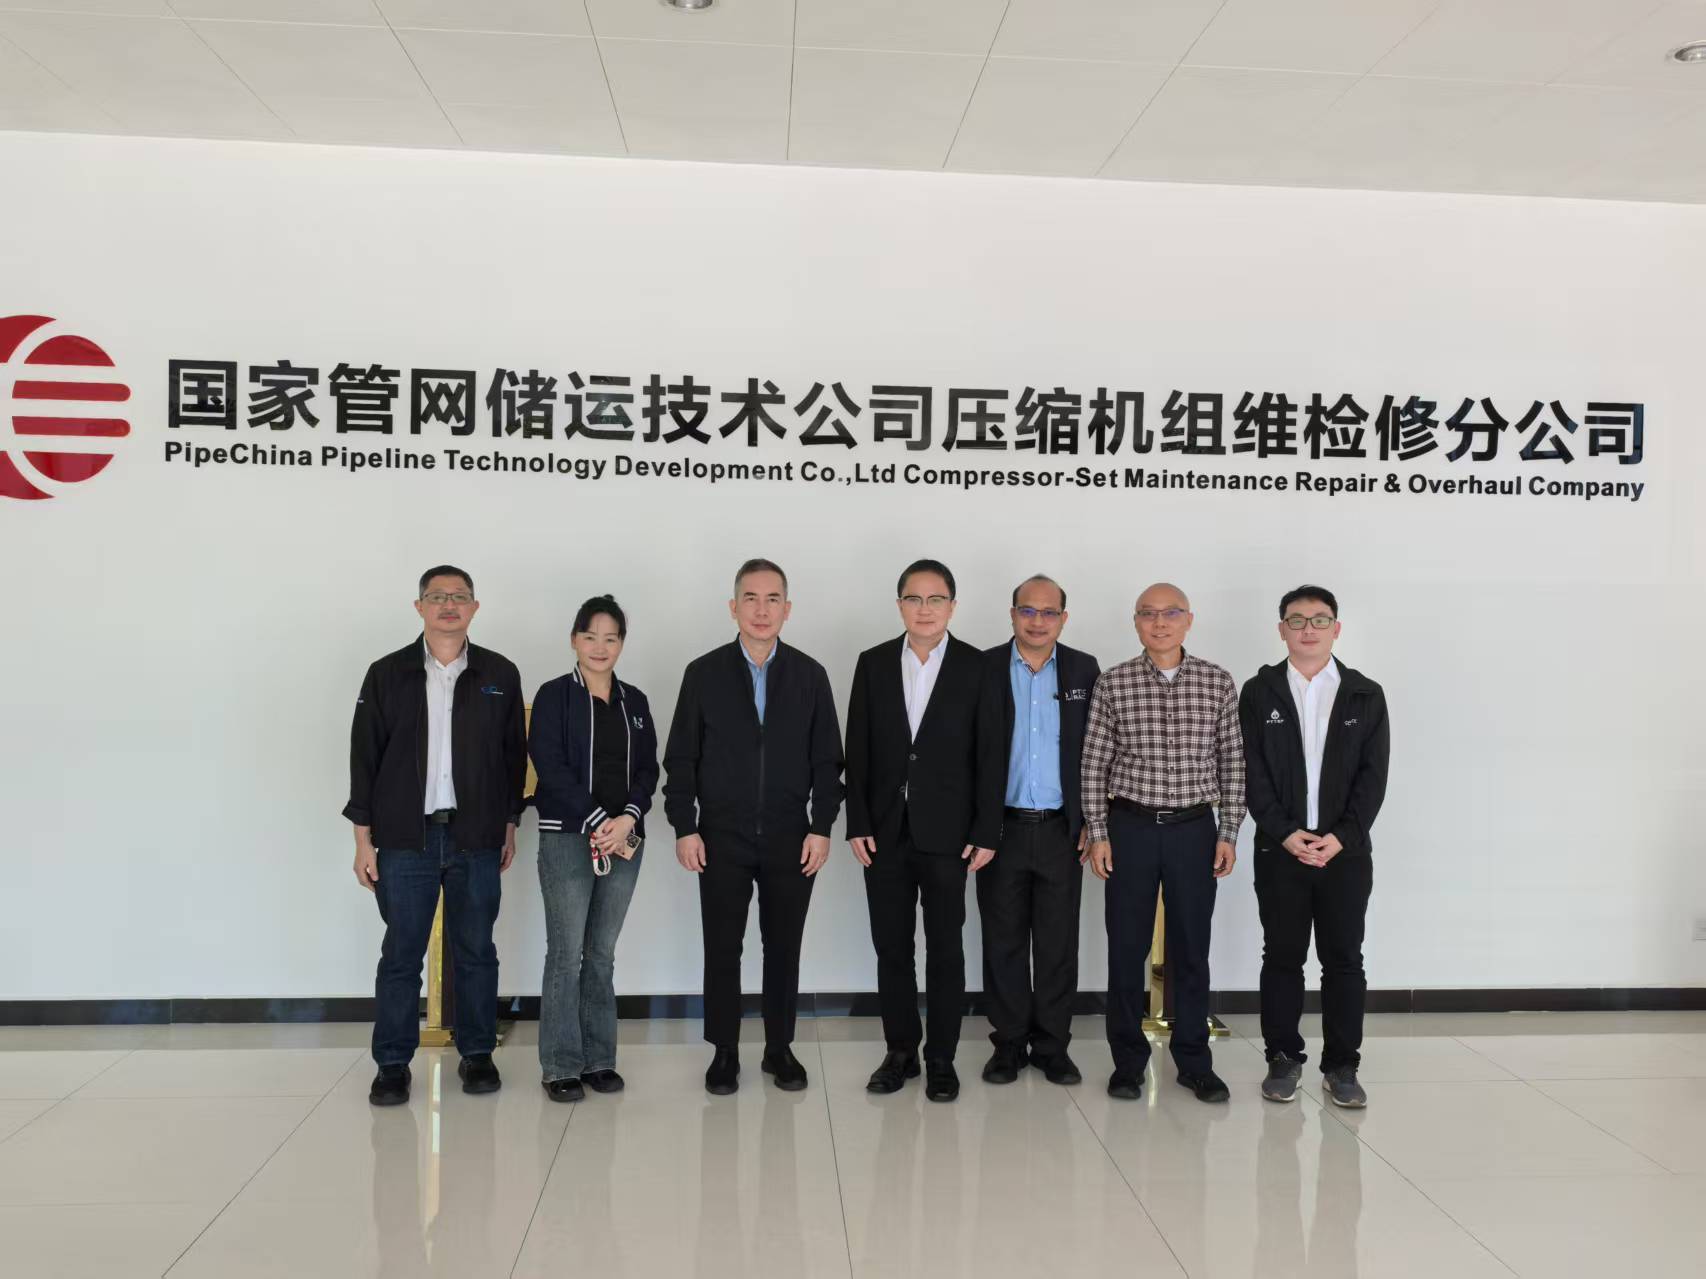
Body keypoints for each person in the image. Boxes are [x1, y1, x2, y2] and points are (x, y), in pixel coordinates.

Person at [663, 559, 844, 1096]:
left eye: (772, 599)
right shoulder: (703, 673)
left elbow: (827, 761)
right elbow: (681, 758)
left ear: (787, 609)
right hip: (720, 837)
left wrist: (821, 827)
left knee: (783, 947)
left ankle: (779, 1047)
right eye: (750, 598)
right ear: (733, 606)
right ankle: (724, 1050)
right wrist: (685, 826)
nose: (761, 610)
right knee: (723, 947)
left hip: (792, 837)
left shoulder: (810, 675)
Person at [346, 565, 525, 1107]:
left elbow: (513, 757)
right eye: (438, 596)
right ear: (419, 606)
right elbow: (364, 757)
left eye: (460, 596)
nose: (449, 604)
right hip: (406, 839)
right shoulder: (387, 673)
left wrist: (509, 824)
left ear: (475, 607)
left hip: (477, 836)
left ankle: (477, 1054)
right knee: (401, 955)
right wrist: (363, 840)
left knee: (477, 952)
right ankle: (392, 1064)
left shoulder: (499, 672)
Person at [845, 558, 1003, 1103]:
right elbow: (858, 748)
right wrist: (858, 821)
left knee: (945, 950)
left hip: (949, 834)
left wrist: (987, 829)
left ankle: (941, 1058)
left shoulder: (978, 666)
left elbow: (992, 754)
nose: (925, 609)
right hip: (884, 833)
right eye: (914, 598)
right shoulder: (872, 663)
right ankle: (900, 1052)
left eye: (936, 599)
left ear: (952, 607)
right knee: (892, 947)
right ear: (900, 605)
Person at [1081, 582, 1245, 1104]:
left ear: (1188, 620)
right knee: (1126, 948)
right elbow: (1094, 764)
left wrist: (1228, 831)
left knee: (1191, 948)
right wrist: (1099, 832)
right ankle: (1128, 1063)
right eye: (1148, 614)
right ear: (1135, 622)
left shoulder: (1217, 682)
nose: (1159, 623)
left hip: (1194, 830)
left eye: (1170, 613)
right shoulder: (1114, 682)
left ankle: (1194, 1061)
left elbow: (1232, 761)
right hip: (1129, 827)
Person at [1240, 585, 1389, 1108]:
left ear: (1336, 629)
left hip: (1344, 854)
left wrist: (1340, 837)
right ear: (1281, 629)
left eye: (1320, 620)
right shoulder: (1258, 692)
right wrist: (1285, 833)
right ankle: (1283, 1059)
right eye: (1297, 620)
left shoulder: (1365, 694)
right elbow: (1250, 772)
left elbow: (1373, 778)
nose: (1308, 629)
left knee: (1343, 959)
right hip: (1278, 851)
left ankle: (1342, 1066)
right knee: (1282, 957)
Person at [529, 595, 659, 1103]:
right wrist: (598, 820)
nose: (600, 647)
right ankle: (561, 1064)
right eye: (590, 636)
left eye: (610, 638)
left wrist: (627, 819)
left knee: (601, 953)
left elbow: (648, 769)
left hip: (624, 840)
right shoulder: (554, 696)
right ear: (574, 640)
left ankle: (599, 1059)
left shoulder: (635, 702)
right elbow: (549, 764)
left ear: (622, 643)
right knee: (566, 954)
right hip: (567, 836)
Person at [977, 575, 1101, 1087]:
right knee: (1002, 941)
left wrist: (1092, 819)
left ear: (1063, 619)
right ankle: (1007, 1045)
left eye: (1049, 612)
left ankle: (1052, 1046)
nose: (1037, 621)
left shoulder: (1083, 669)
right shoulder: (983, 667)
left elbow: (1099, 749)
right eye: (1027, 610)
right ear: (1012, 614)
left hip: (1061, 831)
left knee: (1057, 944)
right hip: (999, 830)